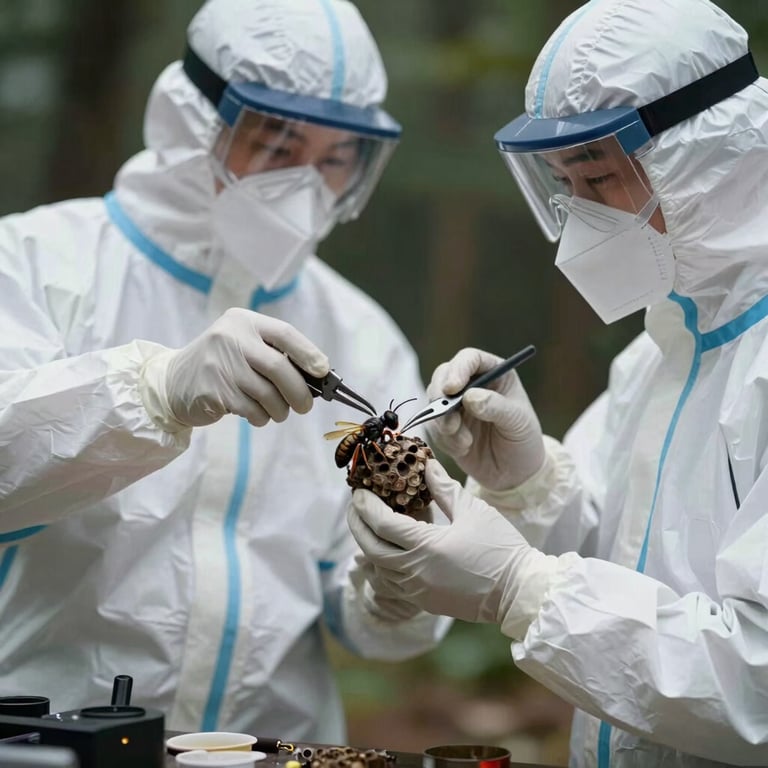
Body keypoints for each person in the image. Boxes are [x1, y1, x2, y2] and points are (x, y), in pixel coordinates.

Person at [0, 0, 450, 743]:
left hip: (274, 749)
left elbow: (364, 620)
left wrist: (395, 586)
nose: (307, 185)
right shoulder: (37, 264)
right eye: (276, 145)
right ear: (190, 123)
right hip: (48, 740)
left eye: (337, 158)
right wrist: (152, 392)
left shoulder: (360, 332)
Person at [347, 0, 768, 765]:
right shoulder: (661, 354)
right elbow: (624, 564)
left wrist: (519, 588)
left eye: (599, 176)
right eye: (563, 183)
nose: (584, 216)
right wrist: (529, 483)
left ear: (707, 156)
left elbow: (755, 689)